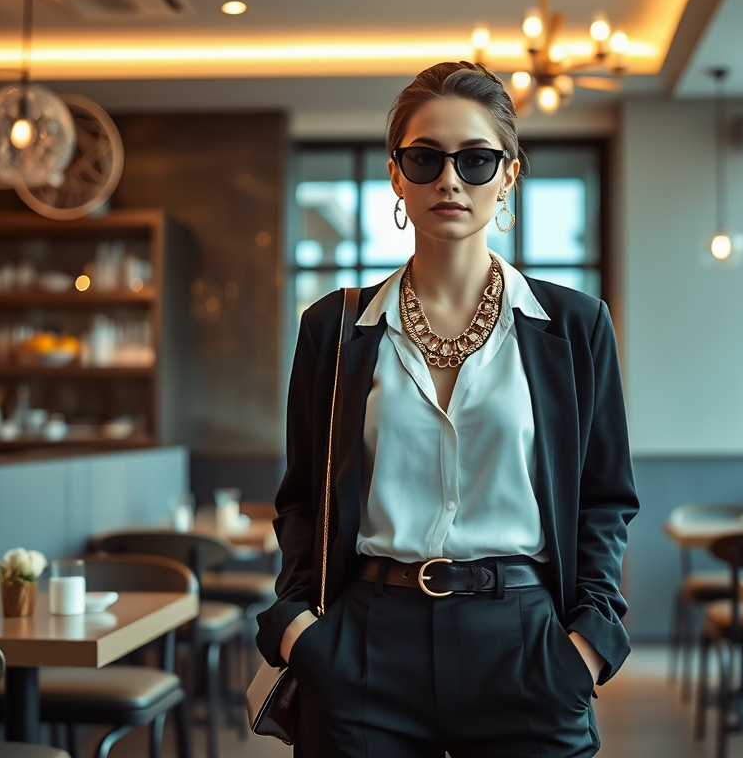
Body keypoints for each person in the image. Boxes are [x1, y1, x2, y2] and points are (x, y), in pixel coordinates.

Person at [256, 61, 639, 758]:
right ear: (397, 175)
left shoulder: (575, 326)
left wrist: (587, 643)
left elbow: (604, 500)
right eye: (426, 159)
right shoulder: (334, 330)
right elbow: (302, 500)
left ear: (509, 175)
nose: (450, 180)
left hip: (527, 641)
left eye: (476, 159)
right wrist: (299, 632)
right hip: (367, 644)